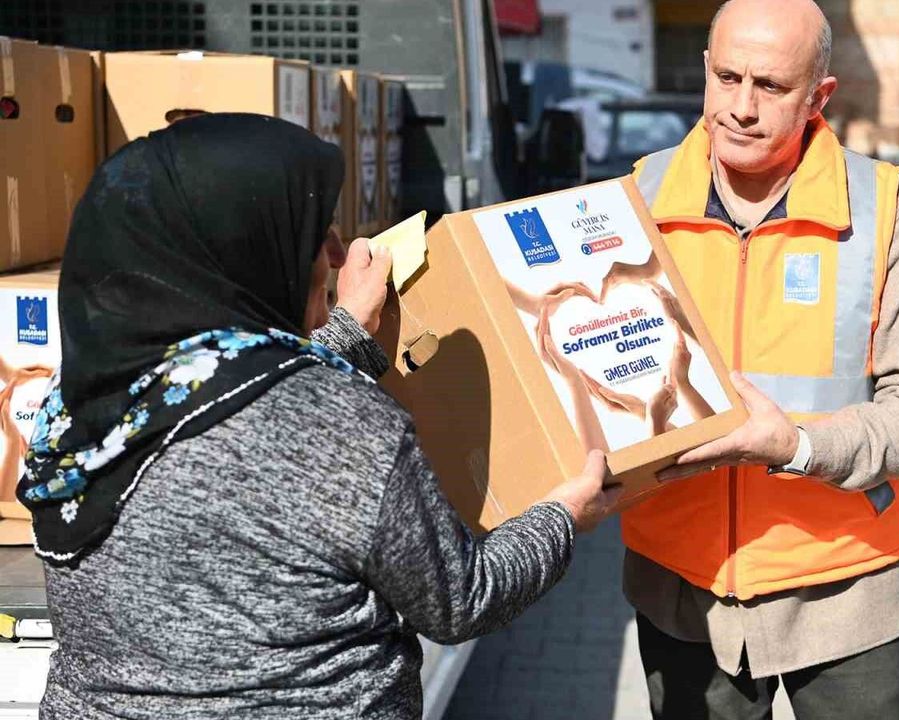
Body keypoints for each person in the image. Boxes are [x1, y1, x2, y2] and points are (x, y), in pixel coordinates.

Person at [18, 113, 618, 718]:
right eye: (309, 234)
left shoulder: (76, 410)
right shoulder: (342, 424)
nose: (334, 253)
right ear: (242, 251)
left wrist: (348, 329)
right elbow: (460, 599)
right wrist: (563, 517)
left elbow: (223, 400)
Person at [619, 1, 899, 717]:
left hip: (847, 591)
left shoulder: (881, 213)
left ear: (819, 95)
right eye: (727, 78)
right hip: (683, 592)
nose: (741, 108)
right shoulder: (638, 199)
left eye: (772, 87)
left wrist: (799, 446)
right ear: (706, 71)